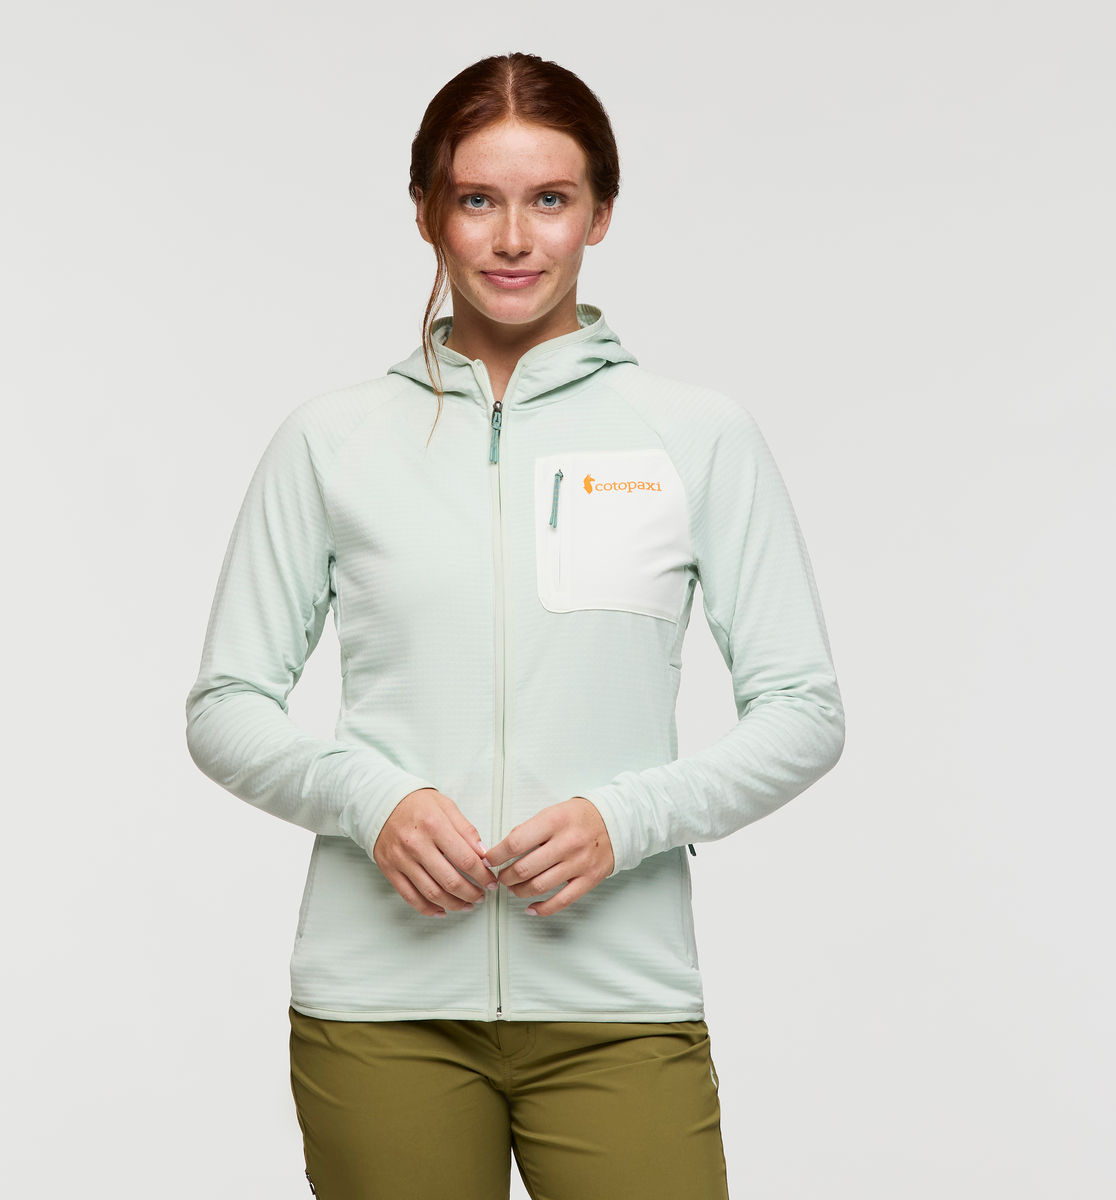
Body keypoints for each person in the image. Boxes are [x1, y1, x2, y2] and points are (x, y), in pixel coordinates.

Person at [186, 51, 844, 1200]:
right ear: (426, 211)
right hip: (381, 1011)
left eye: (549, 199)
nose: (512, 238)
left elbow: (804, 711)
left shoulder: (695, 436)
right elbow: (225, 706)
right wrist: (371, 800)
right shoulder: (332, 441)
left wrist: (626, 818)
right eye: (476, 199)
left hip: (618, 1003)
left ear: (601, 213)